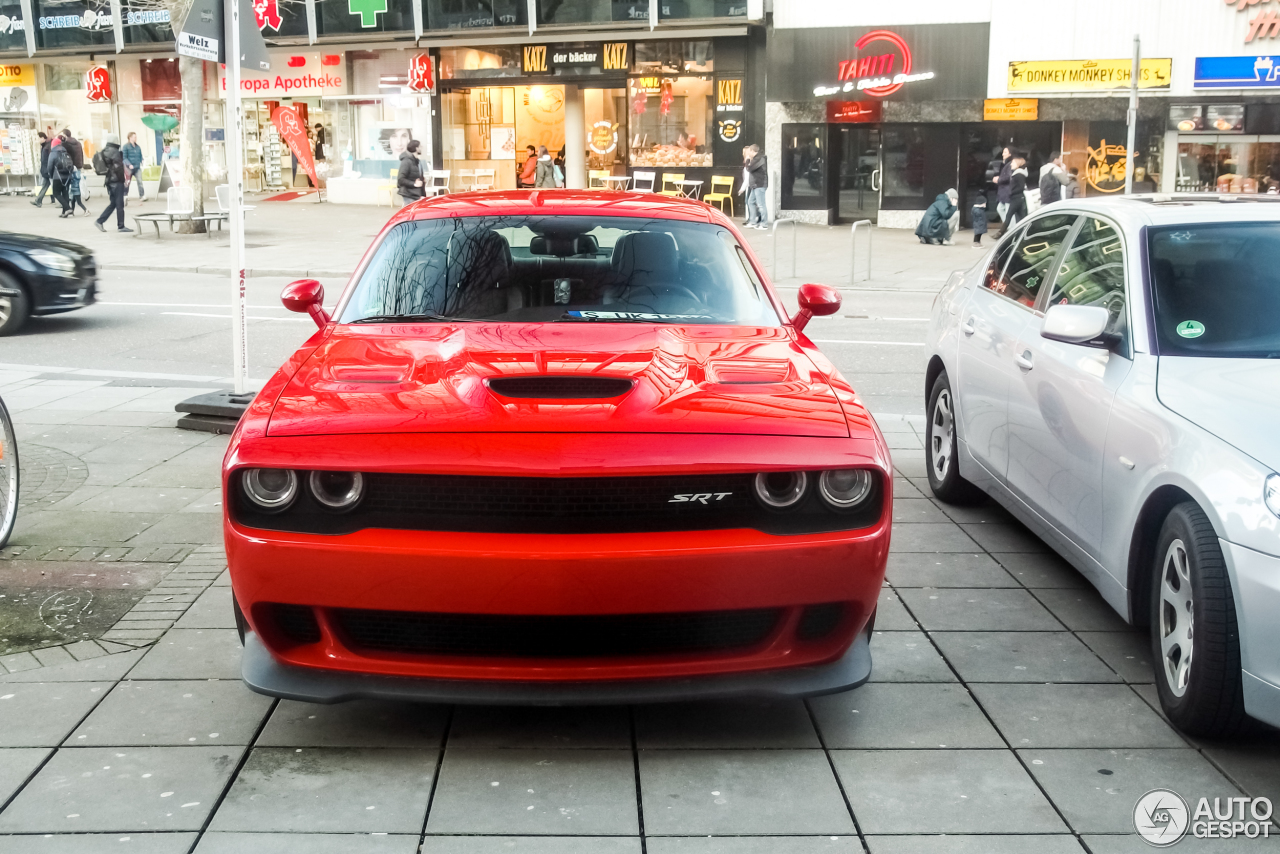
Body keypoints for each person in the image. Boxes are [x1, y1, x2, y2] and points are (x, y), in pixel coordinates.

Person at [93, 134, 131, 233]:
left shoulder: (104, 151)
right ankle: (121, 226)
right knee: (119, 204)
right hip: (117, 181)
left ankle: (100, 221)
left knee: (113, 203)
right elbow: (118, 168)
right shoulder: (115, 152)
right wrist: (124, 180)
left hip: (109, 181)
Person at [999, 152, 1029, 236]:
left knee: (1009, 215)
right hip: (1018, 198)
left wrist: (1011, 192)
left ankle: (1001, 233)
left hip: (1016, 198)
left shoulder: (1018, 174)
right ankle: (1023, 234)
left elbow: (1020, 187)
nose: (1011, 164)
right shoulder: (1018, 173)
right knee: (1021, 217)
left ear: (1018, 164)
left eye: (1013, 163)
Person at [742, 144, 769, 229]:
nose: (748, 153)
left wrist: (747, 160)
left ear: (753, 151)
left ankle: (764, 224)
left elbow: (749, 169)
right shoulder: (757, 158)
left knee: (761, 204)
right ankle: (752, 222)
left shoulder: (760, 159)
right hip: (756, 185)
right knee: (750, 202)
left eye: (749, 151)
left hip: (759, 184)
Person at [48, 137, 74, 217]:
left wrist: (50, 175)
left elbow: (50, 166)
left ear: (53, 145)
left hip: (57, 176)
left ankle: (68, 208)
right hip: (68, 176)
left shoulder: (53, 153)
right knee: (65, 193)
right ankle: (64, 212)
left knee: (56, 193)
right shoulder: (65, 152)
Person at [396, 139, 424, 207]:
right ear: (417, 148)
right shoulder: (406, 161)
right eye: (420, 146)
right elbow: (400, 179)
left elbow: (418, 178)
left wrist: (423, 195)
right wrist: (414, 184)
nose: (422, 148)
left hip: (416, 195)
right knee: (410, 216)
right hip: (409, 195)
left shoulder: (417, 161)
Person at [122, 131, 145, 203]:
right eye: (134, 137)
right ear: (130, 138)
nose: (136, 138)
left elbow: (140, 155)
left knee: (140, 181)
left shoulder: (138, 147)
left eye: (136, 137)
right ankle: (125, 195)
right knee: (127, 182)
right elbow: (124, 158)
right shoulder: (125, 146)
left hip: (137, 167)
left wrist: (142, 160)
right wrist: (129, 164)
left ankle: (142, 196)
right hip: (129, 168)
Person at [992, 146, 1012, 224]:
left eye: (1005, 152)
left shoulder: (1010, 164)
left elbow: (1008, 177)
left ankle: (1010, 227)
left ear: (1010, 154)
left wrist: (998, 179)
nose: (1003, 154)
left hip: (1007, 191)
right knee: (1000, 208)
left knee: (1007, 211)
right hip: (1003, 192)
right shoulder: (1004, 163)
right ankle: (1008, 226)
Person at [31, 132, 50, 207]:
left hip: (47, 170)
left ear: (42, 138)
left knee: (53, 187)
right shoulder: (44, 146)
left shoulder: (46, 147)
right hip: (46, 170)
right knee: (45, 185)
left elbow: (47, 160)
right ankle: (38, 200)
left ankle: (63, 203)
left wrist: (46, 170)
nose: (37, 140)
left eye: (38, 138)